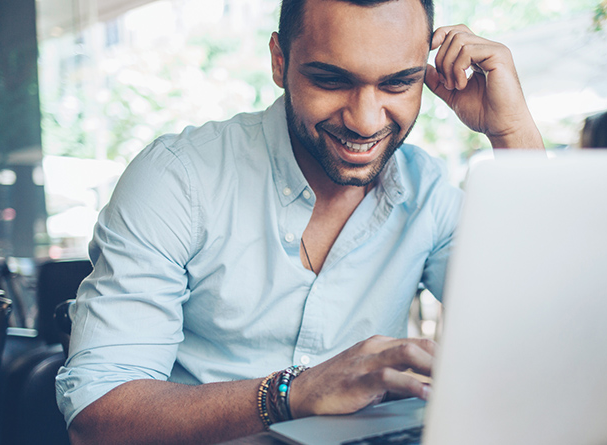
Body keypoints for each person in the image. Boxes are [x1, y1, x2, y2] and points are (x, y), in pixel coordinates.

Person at [55, 0, 544, 443]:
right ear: (279, 61)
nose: (366, 121)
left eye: (398, 82)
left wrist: (512, 131)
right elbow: (98, 419)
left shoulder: (427, 192)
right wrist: (290, 394)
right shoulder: (177, 179)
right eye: (332, 80)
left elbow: (538, 331)